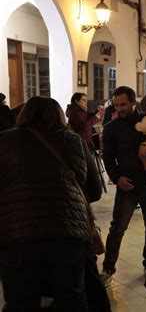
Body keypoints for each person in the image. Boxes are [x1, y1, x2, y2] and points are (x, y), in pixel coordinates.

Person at [0, 96, 103, 311]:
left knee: (21, 301)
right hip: (67, 235)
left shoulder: (4, 141)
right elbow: (94, 191)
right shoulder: (74, 141)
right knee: (71, 297)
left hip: (16, 237)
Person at [101, 86, 146, 286]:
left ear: (133, 102)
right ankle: (108, 268)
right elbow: (107, 157)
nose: (120, 108)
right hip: (127, 184)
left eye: (123, 104)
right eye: (116, 105)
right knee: (117, 228)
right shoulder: (111, 127)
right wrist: (117, 178)